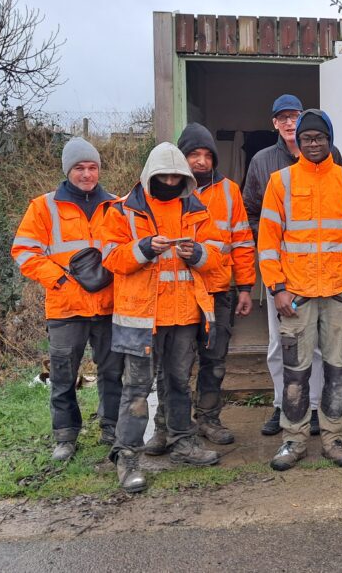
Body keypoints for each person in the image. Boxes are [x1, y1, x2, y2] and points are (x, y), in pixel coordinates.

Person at [102, 142, 225, 493]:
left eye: (176, 176)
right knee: (136, 389)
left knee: (178, 382)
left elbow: (217, 255)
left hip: (184, 314)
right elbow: (111, 257)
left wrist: (198, 252)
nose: (170, 181)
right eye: (164, 176)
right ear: (149, 175)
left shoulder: (197, 209)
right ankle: (126, 457)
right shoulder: (122, 211)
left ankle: (182, 442)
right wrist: (142, 249)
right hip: (140, 317)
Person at [258, 109, 342, 471]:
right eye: (307, 138)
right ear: (298, 142)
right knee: (296, 370)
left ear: (329, 139)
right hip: (297, 295)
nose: (314, 143)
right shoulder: (281, 182)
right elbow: (269, 241)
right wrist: (277, 288)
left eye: (320, 137)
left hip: (338, 293)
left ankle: (334, 438)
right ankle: (294, 438)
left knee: (337, 368)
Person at [143, 124, 256, 454]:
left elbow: (242, 243)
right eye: (194, 154)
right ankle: (165, 427)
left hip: (218, 290)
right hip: (177, 293)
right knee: (171, 366)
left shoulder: (229, 191)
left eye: (208, 155)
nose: (202, 161)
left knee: (214, 360)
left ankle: (208, 418)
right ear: (181, 156)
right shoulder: (163, 192)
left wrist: (246, 287)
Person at [11, 137, 123, 460]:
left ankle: (111, 428)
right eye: (79, 168)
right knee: (63, 375)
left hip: (108, 304)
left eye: (92, 167)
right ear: (67, 170)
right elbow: (23, 250)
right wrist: (58, 279)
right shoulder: (43, 207)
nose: (87, 174)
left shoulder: (116, 205)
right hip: (65, 307)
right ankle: (65, 436)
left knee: (113, 372)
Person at [243, 94, 342, 437]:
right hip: (285, 275)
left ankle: (313, 407)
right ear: (275, 123)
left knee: (317, 345)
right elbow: (252, 213)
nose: (289, 122)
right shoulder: (261, 162)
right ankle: (281, 403)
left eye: (294, 116)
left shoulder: (333, 158)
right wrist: (278, 240)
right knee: (279, 345)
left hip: (327, 275)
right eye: (282, 117)